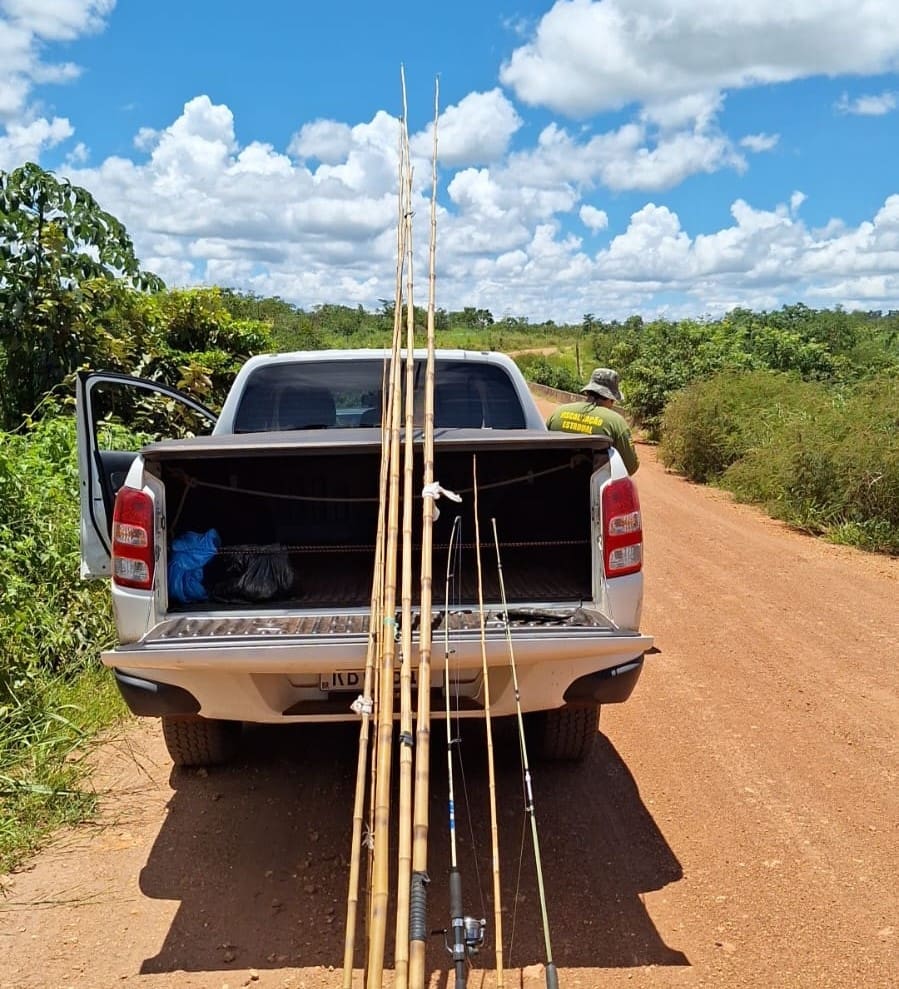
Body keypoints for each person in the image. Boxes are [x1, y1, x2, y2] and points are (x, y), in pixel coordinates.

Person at [545, 367, 639, 475]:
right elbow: (630, 467)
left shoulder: (558, 412)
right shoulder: (616, 422)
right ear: (610, 398)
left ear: (588, 392)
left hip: (554, 481)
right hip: (593, 487)